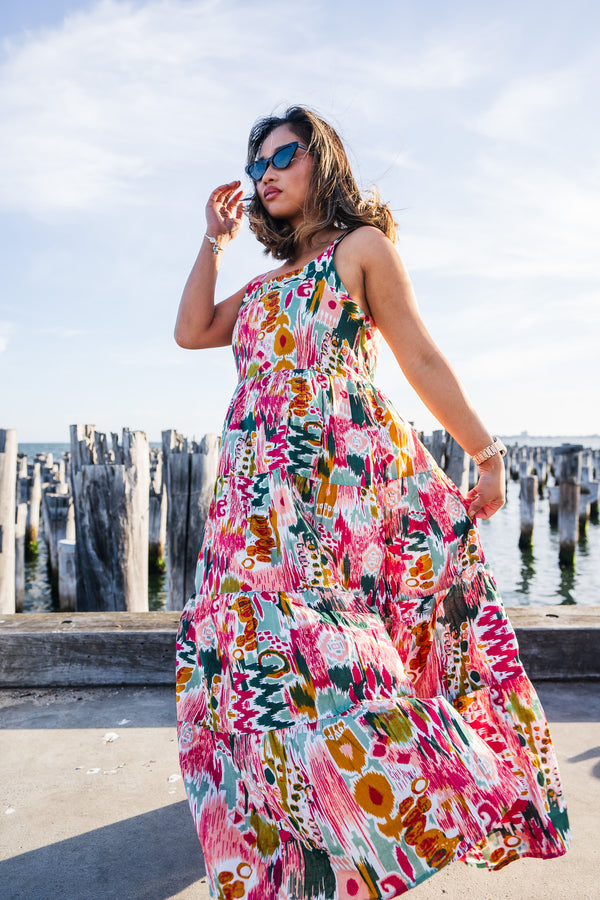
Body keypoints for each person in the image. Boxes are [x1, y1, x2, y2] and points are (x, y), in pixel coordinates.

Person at [174, 106, 570, 899]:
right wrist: (213, 244)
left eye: (283, 155)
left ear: (322, 160)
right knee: (246, 659)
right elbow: (191, 331)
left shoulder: (360, 250)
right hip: (255, 504)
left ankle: (451, 786)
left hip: (342, 494)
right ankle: (289, 837)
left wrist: (486, 453)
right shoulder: (261, 286)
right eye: (256, 166)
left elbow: (419, 353)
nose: (267, 173)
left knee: (343, 656)